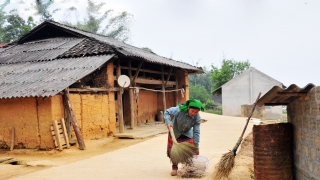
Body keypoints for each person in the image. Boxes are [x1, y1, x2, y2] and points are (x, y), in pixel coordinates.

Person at [164, 99, 204, 176]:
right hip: (175, 133)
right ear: (188, 107)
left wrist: (196, 146)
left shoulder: (197, 118)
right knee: (173, 152)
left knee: (190, 152)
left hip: (187, 134)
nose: (194, 113)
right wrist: (168, 122)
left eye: (196, 112)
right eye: (192, 111)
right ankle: (174, 168)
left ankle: (190, 168)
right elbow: (167, 112)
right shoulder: (179, 110)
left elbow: (196, 132)